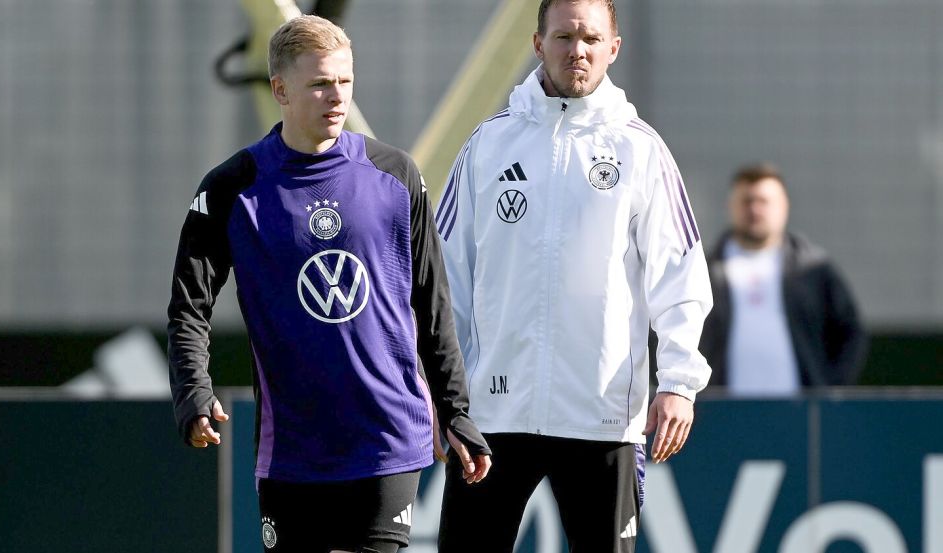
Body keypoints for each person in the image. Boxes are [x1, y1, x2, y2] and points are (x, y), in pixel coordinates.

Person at [166, 15, 490, 553]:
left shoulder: (397, 176)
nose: (335, 96)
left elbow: (432, 304)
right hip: (292, 451)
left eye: (344, 81)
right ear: (280, 91)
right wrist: (192, 392)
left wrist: (455, 412)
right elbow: (189, 307)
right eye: (319, 83)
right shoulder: (232, 189)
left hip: (388, 441)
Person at [434, 1, 713, 551]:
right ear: (538, 44)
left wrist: (679, 381)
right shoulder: (488, 145)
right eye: (563, 37)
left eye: (590, 38)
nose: (576, 50)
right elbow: (445, 278)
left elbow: (681, 274)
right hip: (495, 410)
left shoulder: (641, 150)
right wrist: (443, 393)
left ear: (614, 46)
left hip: (601, 415)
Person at [699, 163, 867, 396]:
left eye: (764, 201)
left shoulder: (813, 268)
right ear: (731, 206)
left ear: (784, 207)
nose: (755, 210)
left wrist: (827, 388)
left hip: (799, 411)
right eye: (747, 201)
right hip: (721, 411)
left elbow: (850, 332)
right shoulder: (703, 270)